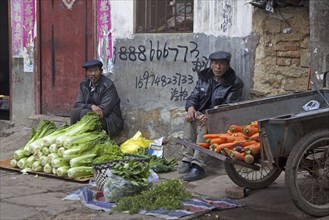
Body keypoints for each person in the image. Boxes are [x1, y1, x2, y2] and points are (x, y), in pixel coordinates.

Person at [179, 51, 244, 181]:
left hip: (222, 118)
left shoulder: (235, 83)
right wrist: (191, 108)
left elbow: (228, 106)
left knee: (204, 125)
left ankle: (198, 166)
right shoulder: (204, 78)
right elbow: (193, 96)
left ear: (227, 65)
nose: (218, 67)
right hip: (203, 114)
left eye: (221, 64)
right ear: (211, 64)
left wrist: (209, 116)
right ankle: (187, 159)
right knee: (189, 119)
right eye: (215, 63)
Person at [70, 59, 124, 137]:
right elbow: (78, 104)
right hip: (93, 115)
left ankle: (87, 138)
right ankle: (73, 136)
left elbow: (102, 111)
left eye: (95, 71)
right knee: (75, 112)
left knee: (85, 113)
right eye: (90, 71)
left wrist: (88, 108)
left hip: (110, 121)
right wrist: (91, 106)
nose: (93, 74)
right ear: (86, 72)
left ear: (101, 71)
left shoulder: (108, 86)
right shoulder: (84, 84)